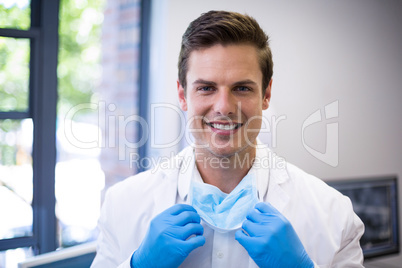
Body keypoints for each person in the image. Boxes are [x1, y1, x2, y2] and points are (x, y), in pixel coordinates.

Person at [91, 10, 364, 268]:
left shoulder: (334, 216)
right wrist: (139, 265)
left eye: (242, 88)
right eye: (206, 88)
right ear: (183, 95)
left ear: (266, 95)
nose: (224, 106)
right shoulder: (122, 207)